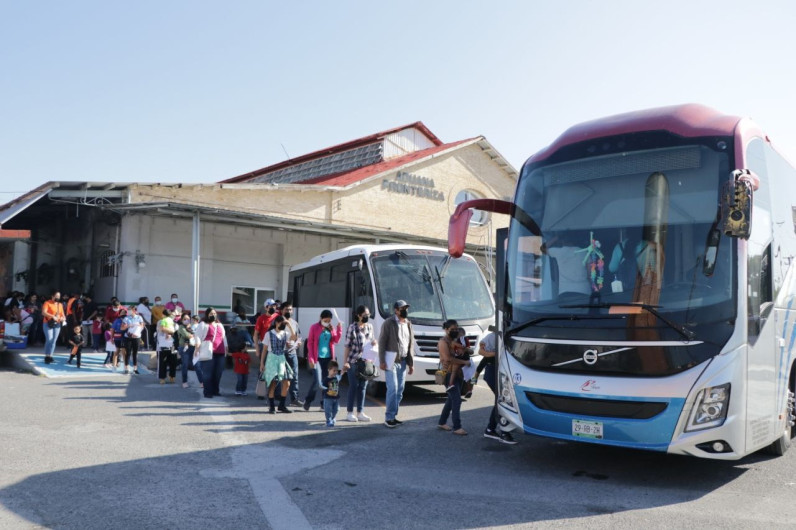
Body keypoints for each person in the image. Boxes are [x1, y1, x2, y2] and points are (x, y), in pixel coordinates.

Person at [378, 300, 416, 428]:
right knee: (392, 388)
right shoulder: (389, 323)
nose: (405, 310)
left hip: (404, 361)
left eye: (406, 307)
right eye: (402, 308)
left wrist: (411, 363)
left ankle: (394, 415)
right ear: (396, 310)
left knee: (400, 390)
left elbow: (410, 344)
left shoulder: (408, 324)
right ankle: (389, 418)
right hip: (391, 360)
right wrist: (382, 360)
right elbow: (382, 342)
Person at [479, 327, 517, 444]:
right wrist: (496, 353)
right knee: (502, 401)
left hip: (502, 371)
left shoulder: (512, 336)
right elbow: (481, 351)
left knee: (501, 401)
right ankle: (502, 431)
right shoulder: (493, 336)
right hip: (493, 372)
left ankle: (491, 429)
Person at [302, 310, 343, 411]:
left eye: (329, 320)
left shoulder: (330, 328)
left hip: (328, 358)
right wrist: (311, 358)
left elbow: (336, 340)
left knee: (327, 381)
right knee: (317, 382)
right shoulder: (314, 327)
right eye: (326, 320)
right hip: (317, 359)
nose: (327, 322)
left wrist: (339, 329)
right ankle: (308, 400)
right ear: (321, 318)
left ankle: (323, 403)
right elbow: (310, 344)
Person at [437, 320, 469, 435]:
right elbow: (448, 359)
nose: (455, 331)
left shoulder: (455, 341)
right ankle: (457, 427)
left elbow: (466, 350)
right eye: (452, 329)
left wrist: (464, 351)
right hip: (448, 373)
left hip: (458, 373)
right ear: (446, 330)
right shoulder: (443, 342)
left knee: (451, 399)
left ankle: (442, 422)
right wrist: (464, 362)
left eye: (456, 329)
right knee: (456, 399)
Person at [343, 305, 375, 422]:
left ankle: (360, 412)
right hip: (353, 361)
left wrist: (374, 343)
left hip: (366, 361)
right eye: (364, 315)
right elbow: (347, 346)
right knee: (353, 386)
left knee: (363, 387)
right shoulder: (352, 327)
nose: (367, 317)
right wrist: (345, 363)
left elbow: (371, 342)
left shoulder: (370, 327)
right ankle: (350, 412)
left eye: (368, 315)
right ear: (358, 315)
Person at [260, 315, 296, 413]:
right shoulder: (269, 334)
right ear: (276, 322)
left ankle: (281, 405)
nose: (283, 325)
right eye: (281, 323)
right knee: (273, 383)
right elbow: (264, 350)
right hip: (272, 359)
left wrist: (289, 324)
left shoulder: (285, 333)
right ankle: (272, 406)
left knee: (287, 383)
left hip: (281, 359)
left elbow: (294, 337)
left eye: (284, 323)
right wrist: (262, 363)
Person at [196, 307, 227, 398]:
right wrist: (197, 347)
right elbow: (197, 336)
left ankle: (215, 390)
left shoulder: (219, 324)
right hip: (208, 352)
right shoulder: (203, 324)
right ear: (207, 314)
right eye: (211, 314)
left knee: (218, 373)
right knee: (207, 374)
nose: (213, 315)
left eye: (214, 313)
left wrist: (226, 346)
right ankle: (207, 392)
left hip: (220, 351)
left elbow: (223, 337)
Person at [281, 302, 303, 407]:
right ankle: (275, 398)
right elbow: (272, 336)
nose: (288, 311)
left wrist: (298, 343)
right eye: (286, 309)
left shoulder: (295, 323)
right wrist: (283, 342)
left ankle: (294, 399)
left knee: (294, 376)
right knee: (278, 376)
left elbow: (298, 337)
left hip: (292, 353)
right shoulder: (277, 322)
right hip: (279, 353)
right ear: (282, 310)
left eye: (290, 309)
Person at [176, 314, 201, 388]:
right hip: (184, 348)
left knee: (197, 365)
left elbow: (198, 334)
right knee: (185, 365)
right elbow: (187, 335)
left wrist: (194, 333)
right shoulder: (181, 327)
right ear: (181, 320)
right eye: (185, 319)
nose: (187, 320)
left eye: (188, 318)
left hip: (193, 347)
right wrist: (194, 334)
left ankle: (201, 382)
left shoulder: (192, 326)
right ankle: (184, 381)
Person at [42, 290, 66, 364]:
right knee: (49, 339)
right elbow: (43, 312)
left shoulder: (60, 305)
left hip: (57, 324)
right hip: (48, 323)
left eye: (59, 296)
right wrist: (52, 316)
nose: (58, 298)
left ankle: (50, 356)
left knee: (54, 340)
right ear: (52, 296)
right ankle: (47, 355)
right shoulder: (47, 303)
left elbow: (63, 315)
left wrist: (63, 319)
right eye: (56, 296)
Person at [156, 309, 177, 384]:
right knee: (162, 362)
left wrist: (170, 333)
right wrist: (170, 332)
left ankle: (172, 376)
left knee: (173, 362)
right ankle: (162, 378)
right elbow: (162, 328)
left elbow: (175, 331)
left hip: (172, 345)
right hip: (162, 344)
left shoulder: (173, 322)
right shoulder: (160, 321)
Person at [228, 326, 250, 396]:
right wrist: (225, 351)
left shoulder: (247, 355)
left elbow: (249, 362)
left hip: (245, 371)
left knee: (244, 381)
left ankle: (243, 390)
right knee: (240, 380)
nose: (246, 348)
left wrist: (249, 369)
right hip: (239, 371)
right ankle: (238, 390)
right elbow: (230, 354)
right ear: (242, 348)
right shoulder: (238, 354)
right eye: (245, 347)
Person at [123, 305, 145, 374]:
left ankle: (135, 368)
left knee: (135, 353)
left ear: (134, 310)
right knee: (128, 353)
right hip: (128, 337)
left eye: (130, 310)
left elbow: (142, 326)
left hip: (136, 337)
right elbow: (123, 327)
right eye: (128, 310)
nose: (129, 311)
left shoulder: (139, 317)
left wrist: (137, 329)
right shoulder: (126, 318)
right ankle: (126, 368)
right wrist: (128, 326)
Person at [321, 361, 342, 427]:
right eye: (334, 370)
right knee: (328, 410)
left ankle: (333, 418)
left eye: (336, 371)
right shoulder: (326, 379)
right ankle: (328, 420)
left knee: (336, 409)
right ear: (329, 370)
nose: (335, 372)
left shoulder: (337, 377)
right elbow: (322, 387)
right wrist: (327, 390)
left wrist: (344, 369)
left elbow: (341, 374)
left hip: (336, 398)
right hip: (328, 398)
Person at [112, 308, 128, 373]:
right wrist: (111, 338)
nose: (123, 313)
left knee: (124, 352)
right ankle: (114, 366)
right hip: (117, 337)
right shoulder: (117, 320)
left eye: (124, 312)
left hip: (125, 338)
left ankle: (125, 367)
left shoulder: (128, 319)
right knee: (116, 352)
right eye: (122, 312)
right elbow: (112, 329)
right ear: (119, 313)